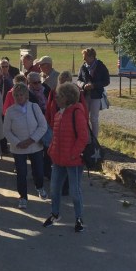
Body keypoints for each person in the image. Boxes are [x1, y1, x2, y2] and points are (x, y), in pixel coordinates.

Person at [43, 82, 90, 233]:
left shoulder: (77, 113)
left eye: (59, 96)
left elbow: (83, 137)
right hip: (58, 159)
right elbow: (56, 136)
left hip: (73, 161)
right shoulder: (58, 114)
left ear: (67, 97)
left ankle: (79, 218)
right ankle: (55, 214)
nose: (56, 98)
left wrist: (73, 154)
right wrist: (51, 150)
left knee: (75, 191)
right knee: (54, 189)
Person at [3, 82, 48, 209]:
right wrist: (18, 142)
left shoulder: (34, 107)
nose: (19, 97)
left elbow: (43, 125)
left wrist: (32, 139)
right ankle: (23, 197)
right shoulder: (10, 111)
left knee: (38, 170)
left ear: (26, 95)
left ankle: (40, 187)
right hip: (18, 148)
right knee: (21, 173)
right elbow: (6, 130)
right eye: (16, 95)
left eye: (21, 94)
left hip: (35, 145)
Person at [77, 47, 111, 142]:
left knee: (94, 119)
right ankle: (86, 139)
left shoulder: (101, 66)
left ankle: (94, 141)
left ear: (92, 57)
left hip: (96, 96)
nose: (83, 59)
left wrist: (94, 85)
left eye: (85, 56)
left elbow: (106, 81)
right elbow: (78, 80)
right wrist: (83, 85)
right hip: (85, 96)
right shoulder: (83, 67)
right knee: (84, 118)